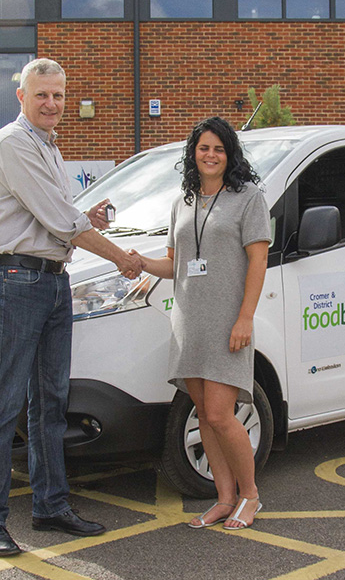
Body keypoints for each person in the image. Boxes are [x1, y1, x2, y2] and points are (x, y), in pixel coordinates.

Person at [0, 58, 142, 557]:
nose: (52, 104)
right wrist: (121, 258)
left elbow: (56, 218)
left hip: (50, 281)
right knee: (2, 404)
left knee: (50, 402)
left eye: (59, 96)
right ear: (21, 96)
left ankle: (50, 506)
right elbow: (59, 219)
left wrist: (81, 218)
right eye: (42, 95)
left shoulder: (48, 147)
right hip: (16, 280)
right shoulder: (13, 142)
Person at [135, 116, 271, 530]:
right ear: (192, 153)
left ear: (230, 155)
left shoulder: (248, 198)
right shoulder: (184, 200)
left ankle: (251, 496)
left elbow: (258, 260)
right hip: (189, 322)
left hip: (228, 322)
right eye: (203, 148)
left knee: (219, 414)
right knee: (204, 413)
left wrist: (245, 317)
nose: (210, 155)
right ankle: (224, 498)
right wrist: (139, 262)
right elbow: (175, 264)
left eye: (218, 149)